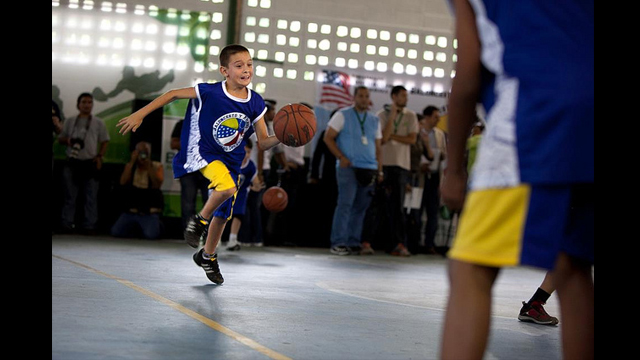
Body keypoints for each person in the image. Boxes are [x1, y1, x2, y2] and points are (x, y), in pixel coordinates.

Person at [440, 1, 594, 359]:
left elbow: (466, 78)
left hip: (533, 116)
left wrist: (454, 169)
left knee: (471, 268)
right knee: (573, 265)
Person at [116, 44, 282, 285]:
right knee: (227, 189)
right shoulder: (210, 92)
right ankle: (198, 222)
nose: (246, 69)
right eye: (239, 66)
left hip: (232, 161)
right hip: (205, 153)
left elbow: (264, 142)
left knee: (224, 213)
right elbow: (172, 94)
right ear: (224, 70)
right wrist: (140, 113)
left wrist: (284, 137)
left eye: (249, 64)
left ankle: (208, 256)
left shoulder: (256, 102)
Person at [324, 86, 382, 256]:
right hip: (348, 167)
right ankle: (338, 242)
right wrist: (340, 157)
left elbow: (379, 147)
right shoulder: (342, 115)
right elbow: (328, 137)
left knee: (361, 207)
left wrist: (380, 170)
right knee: (345, 204)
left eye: (366, 96)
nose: (364, 99)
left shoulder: (374, 120)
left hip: (369, 168)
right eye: (361, 96)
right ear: (354, 97)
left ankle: (353, 241)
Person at [58, 92, 110, 234]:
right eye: (84, 102)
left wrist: (100, 156)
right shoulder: (70, 120)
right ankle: (66, 224)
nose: (87, 105)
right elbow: (60, 139)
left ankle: (90, 226)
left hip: (90, 162)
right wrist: (70, 141)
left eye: (89, 102)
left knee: (91, 196)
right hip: (72, 161)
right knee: (70, 196)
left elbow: (105, 141)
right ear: (78, 104)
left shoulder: (99, 122)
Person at [376, 85, 419, 256]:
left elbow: (412, 139)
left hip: (401, 165)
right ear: (393, 96)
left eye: (406, 96)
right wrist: (392, 115)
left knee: (398, 207)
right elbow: (383, 138)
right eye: (402, 96)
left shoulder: (411, 115)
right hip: (384, 164)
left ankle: (399, 243)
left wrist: (392, 136)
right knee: (378, 205)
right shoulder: (381, 115)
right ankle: (371, 242)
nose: (406, 99)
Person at [110, 141, 164, 239]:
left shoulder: (156, 166)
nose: (143, 155)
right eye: (140, 152)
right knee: (116, 232)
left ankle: (156, 224)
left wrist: (149, 168)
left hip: (148, 213)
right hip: (131, 212)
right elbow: (122, 182)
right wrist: (132, 162)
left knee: (151, 235)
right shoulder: (131, 166)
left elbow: (157, 185)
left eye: (145, 152)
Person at [170, 116, 211, 232]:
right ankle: (190, 233)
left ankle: (208, 234)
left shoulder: (210, 122)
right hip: (188, 169)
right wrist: (193, 144)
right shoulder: (182, 124)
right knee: (188, 204)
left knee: (209, 202)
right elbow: (173, 143)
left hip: (207, 168)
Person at [223, 139, 263, 251]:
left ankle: (232, 239)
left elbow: (256, 183)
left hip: (241, 195)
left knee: (238, 215)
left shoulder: (250, 166)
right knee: (222, 215)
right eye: (244, 151)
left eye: (249, 152)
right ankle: (215, 239)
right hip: (226, 193)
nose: (246, 155)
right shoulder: (230, 162)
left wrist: (257, 186)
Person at [420, 105, 447, 254]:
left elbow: (444, 153)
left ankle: (429, 244)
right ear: (428, 117)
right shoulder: (417, 131)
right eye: (436, 117)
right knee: (416, 212)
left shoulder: (439, 134)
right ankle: (413, 242)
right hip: (419, 175)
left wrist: (441, 155)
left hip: (435, 175)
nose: (438, 120)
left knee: (433, 212)